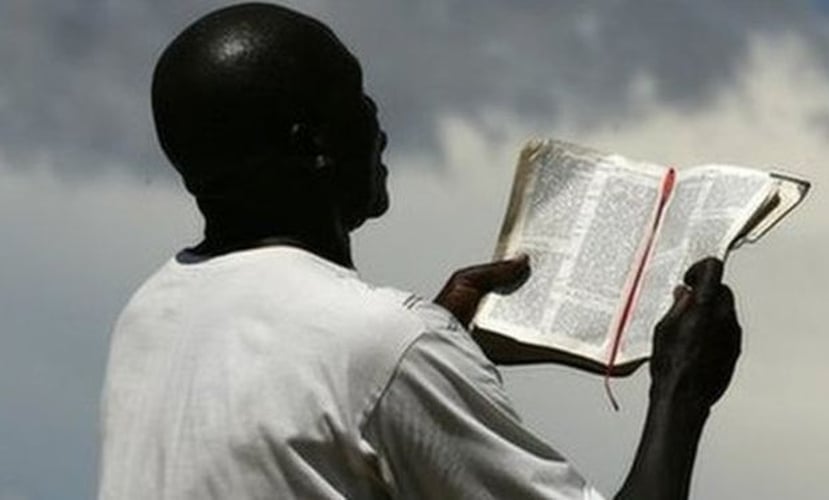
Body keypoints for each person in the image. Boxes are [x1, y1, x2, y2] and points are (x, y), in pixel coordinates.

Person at [97, 3, 742, 499]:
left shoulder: (152, 311)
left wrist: (435, 337)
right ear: (314, 143)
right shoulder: (381, 345)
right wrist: (680, 389)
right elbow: (358, 365)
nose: (378, 118)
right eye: (355, 96)